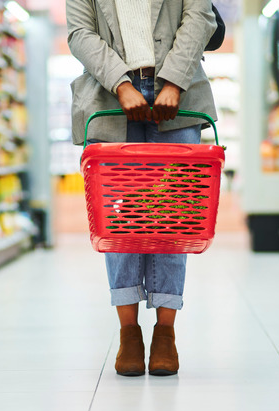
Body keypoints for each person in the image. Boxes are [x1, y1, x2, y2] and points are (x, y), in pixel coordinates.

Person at [67, 0, 217, 376]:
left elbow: (199, 17)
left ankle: (165, 334)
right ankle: (129, 333)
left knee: (173, 216)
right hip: (108, 95)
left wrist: (174, 80)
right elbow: (79, 32)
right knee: (120, 221)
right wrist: (120, 82)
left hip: (179, 95)